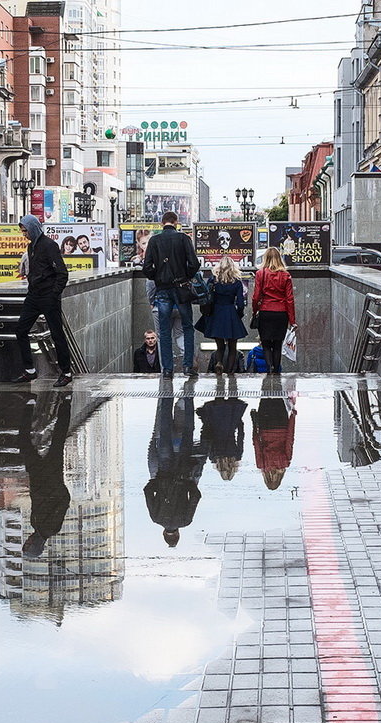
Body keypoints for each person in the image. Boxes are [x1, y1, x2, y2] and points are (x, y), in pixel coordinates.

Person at [14, 215, 73, 388]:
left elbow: (62, 273)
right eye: (23, 231)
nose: (24, 234)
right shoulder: (31, 246)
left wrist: (54, 294)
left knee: (57, 334)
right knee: (20, 329)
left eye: (25, 230)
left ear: (33, 228)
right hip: (34, 295)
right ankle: (30, 369)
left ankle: (66, 372)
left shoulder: (49, 245)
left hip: (48, 296)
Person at [143, 211, 200, 378]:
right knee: (187, 328)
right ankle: (188, 367)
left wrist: (159, 277)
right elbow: (194, 263)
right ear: (176, 222)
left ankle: (167, 369)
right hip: (181, 289)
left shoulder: (154, 240)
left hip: (163, 291)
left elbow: (147, 268)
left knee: (164, 332)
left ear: (162, 223)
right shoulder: (183, 239)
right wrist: (185, 276)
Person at [145, 390, 206, 547]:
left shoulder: (185, 521)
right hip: (164, 469)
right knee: (164, 430)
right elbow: (147, 491)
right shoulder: (156, 518)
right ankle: (167, 396)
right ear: (164, 533)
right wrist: (157, 480)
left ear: (178, 534)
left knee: (188, 431)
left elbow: (195, 496)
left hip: (182, 469)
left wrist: (188, 482)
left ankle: (188, 397)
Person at [20, 393, 72, 559]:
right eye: (28, 545)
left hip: (36, 475)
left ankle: (29, 405)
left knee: (24, 443)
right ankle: (66, 404)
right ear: (36, 546)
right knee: (58, 438)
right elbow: (64, 501)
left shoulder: (35, 525)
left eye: (25, 544)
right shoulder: (51, 528)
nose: (27, 540)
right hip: (51, 475)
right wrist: (55, 485)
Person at [195, 256, 248, 374]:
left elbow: (206, 297)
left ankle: (219, 362)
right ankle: (229, 372)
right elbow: (240, 303)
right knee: (232, 347)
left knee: (219, 345)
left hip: (216, 313)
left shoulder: (213, 280)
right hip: (230, 313)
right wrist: (238, 316)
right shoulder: (237, 282)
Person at [251, 247, 296, 375]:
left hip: (265, 312)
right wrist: (292, 321)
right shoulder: (286, 275)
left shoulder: (261, 273)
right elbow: (290, 299)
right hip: (281, 314)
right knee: (277, 345)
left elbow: (256, 296)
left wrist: (255, 311)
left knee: (266, 344)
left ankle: (269, 369)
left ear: (265, 258)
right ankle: (276, 371)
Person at [251, 396, 296, 490]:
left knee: (278, 394)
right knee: (265, 394)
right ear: (266, 479)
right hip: (265, 425)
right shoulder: (261, 464)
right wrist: (255, 425)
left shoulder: (285, 463)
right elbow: (256, 444)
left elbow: (290, 440)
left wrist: (292, 417)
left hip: (281, 424)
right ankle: (266, 382)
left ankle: (276, 382)